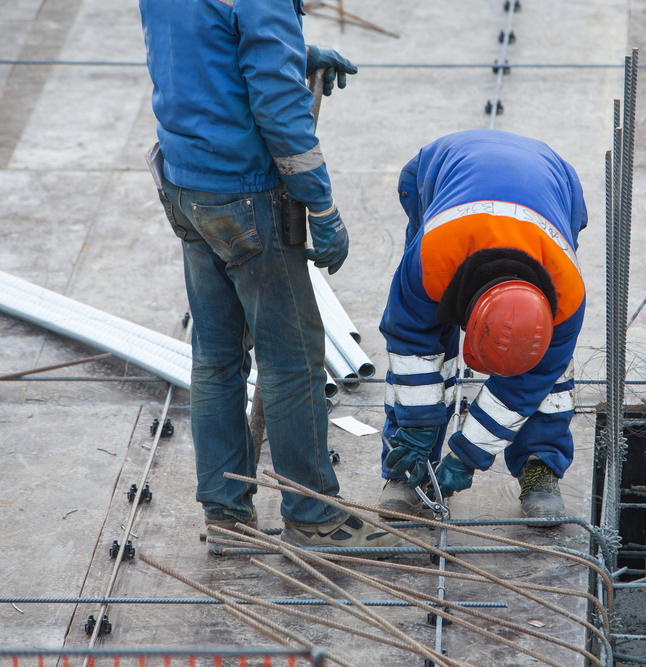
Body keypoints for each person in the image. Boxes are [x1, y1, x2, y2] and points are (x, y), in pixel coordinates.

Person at [139, 0, 398, 552]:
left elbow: (195, 48)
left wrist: (290, 51)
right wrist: (321, 207)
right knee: (293, 359)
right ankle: (314, 517)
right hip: (245, 193)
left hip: (185, 183)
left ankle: (226, 514)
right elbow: (280, 107)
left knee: (215, 355)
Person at [378, 129, 587, 524]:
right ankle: (407, 460)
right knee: (421, 355)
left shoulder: (567, 297)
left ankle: (539, 464)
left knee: (548, 376)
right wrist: (418, 427)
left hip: (555, 182)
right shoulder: (432, 259)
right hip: (438, 171)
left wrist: (469, 453)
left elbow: (526, 385)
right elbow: (409, 343)